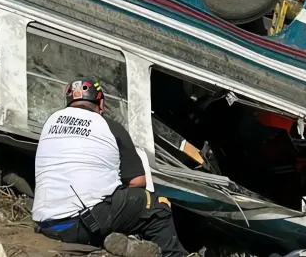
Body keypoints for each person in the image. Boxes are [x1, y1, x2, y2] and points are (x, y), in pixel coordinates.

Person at [32, 78, 194, 257]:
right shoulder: (109, 126)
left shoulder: (50, 122)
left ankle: (125, 245)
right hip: (81, 224)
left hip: (46, 223)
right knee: (157, 206)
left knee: (105, 204)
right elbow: (138, 181)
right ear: (101, 104)